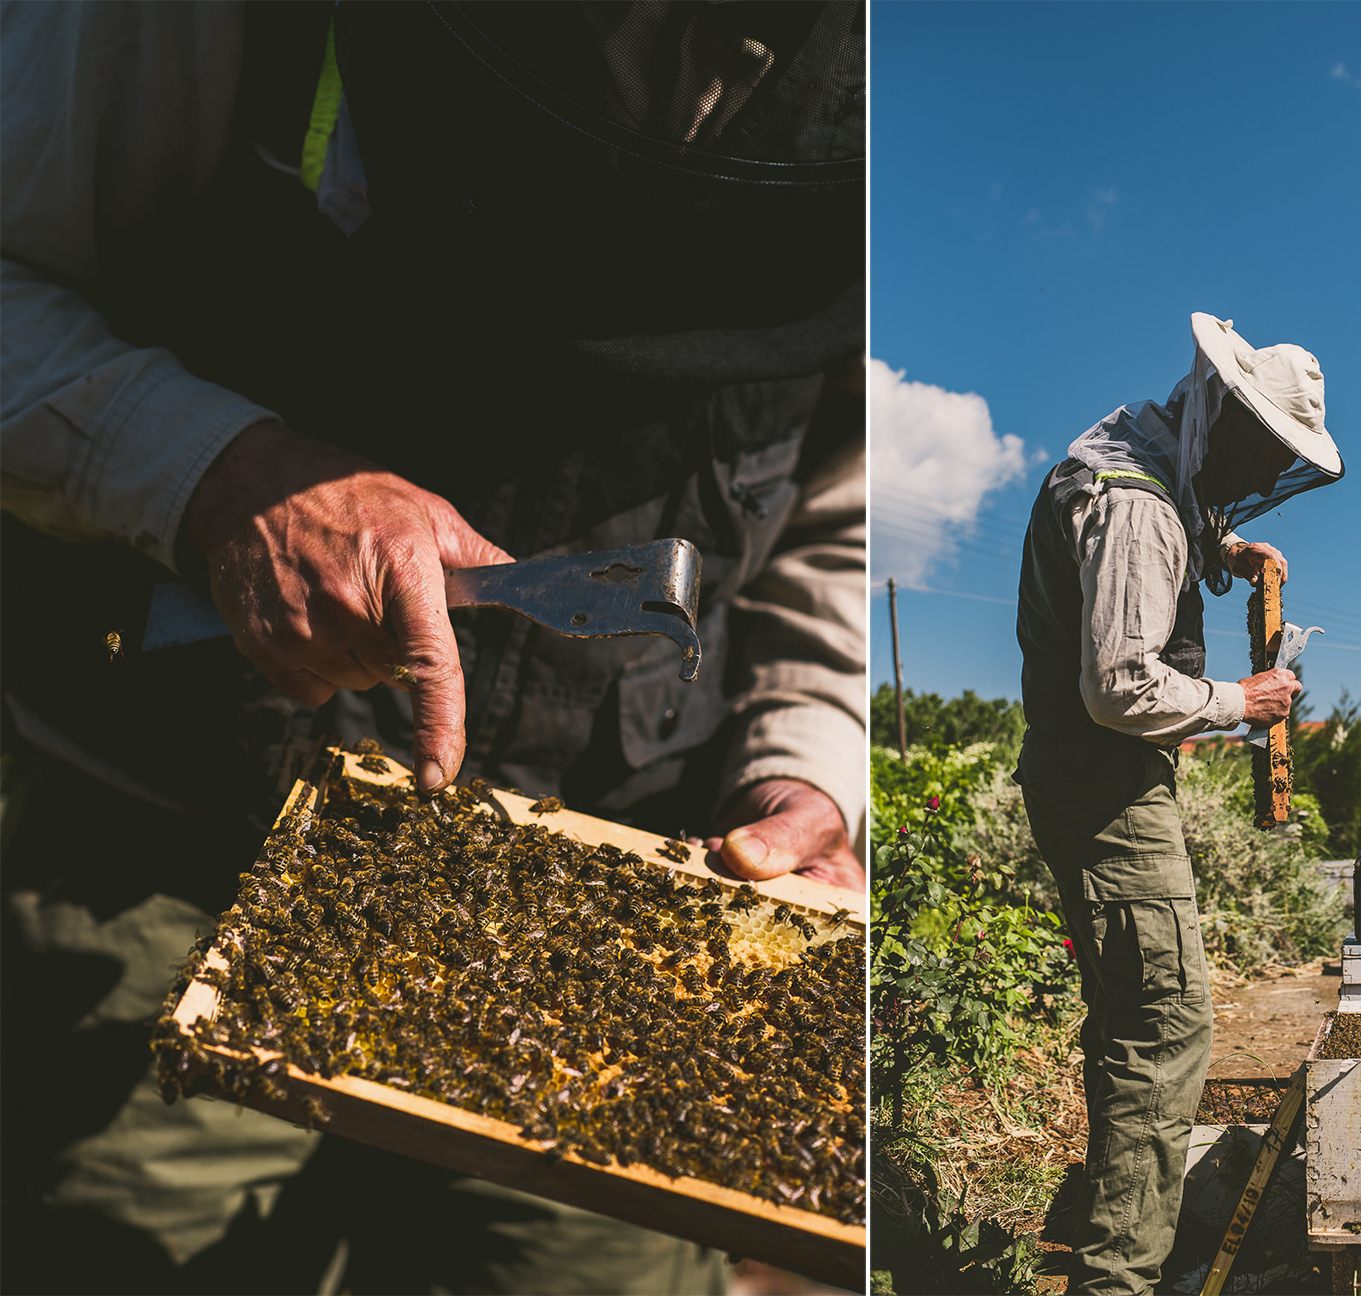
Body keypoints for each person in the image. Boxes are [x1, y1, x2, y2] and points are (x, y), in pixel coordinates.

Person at [0, 4, 864, 1292]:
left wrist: (805, 764)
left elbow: (824, 520)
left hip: (604, 928)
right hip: (174, 853)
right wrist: (210, 469)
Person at [1014, 313, 1345, 1295]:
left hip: (1085, 781)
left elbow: (1171, 525)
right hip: (1107, 787)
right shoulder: (1140, 509)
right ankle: (1120, 1275)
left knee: (1129, 1015)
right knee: (1165, 1026)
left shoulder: (1133, 450)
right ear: (1223, 416)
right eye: (1258, 450)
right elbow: (1117, 685)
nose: (1256, 469)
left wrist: (1230, 547)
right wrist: (1242, 703)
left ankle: (1109, 1230)